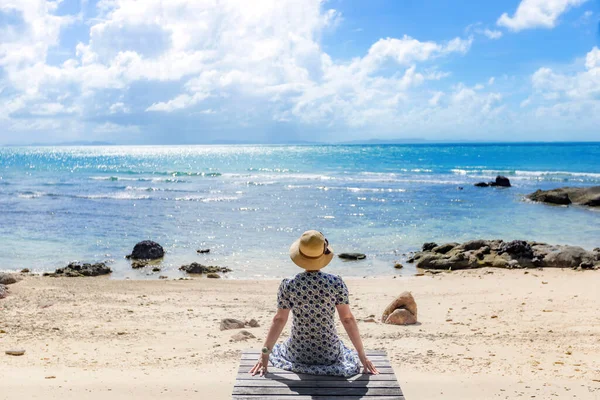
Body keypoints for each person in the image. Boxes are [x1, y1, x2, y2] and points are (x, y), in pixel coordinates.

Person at [250, 230, 379, 377]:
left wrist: (264, 355)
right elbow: (347, 319)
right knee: (341, 347)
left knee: (283, 347)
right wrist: (362, 356)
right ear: (323, 253)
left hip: (297, 354)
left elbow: (279, 320)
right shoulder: (336, 283)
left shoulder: (289, 284)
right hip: (329, 354)